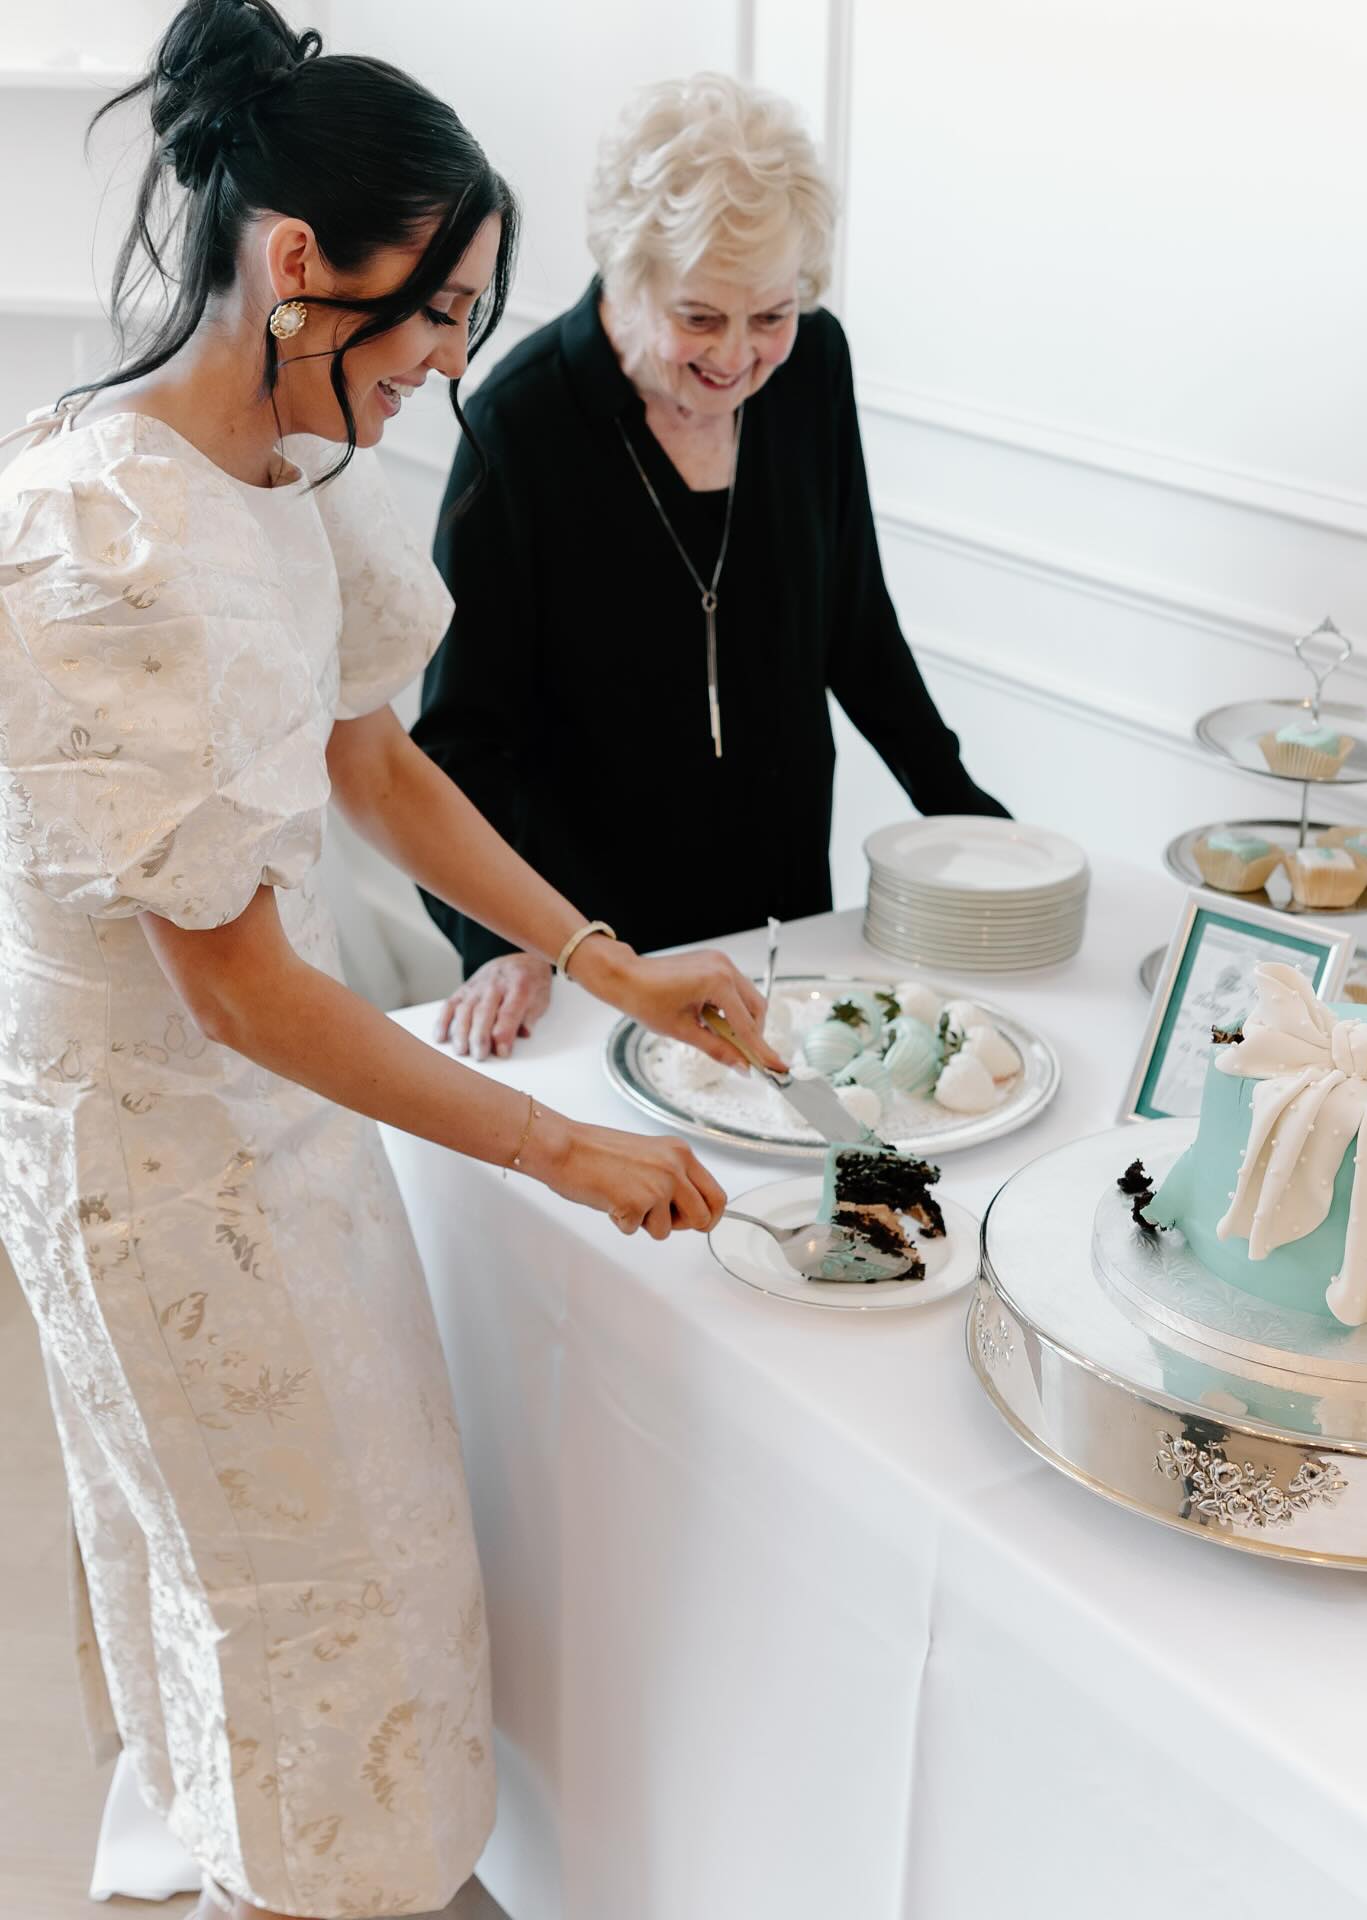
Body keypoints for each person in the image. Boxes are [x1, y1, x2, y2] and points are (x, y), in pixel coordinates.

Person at [0, 7, 780, 1919]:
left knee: (364, 1572)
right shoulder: (101, 539)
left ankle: (305, 1874)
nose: (450, 366)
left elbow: (376, 759)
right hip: (154, 1157)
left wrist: (600, 962)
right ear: (294, 269)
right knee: (281, 1585)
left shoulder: (295, 469)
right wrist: (558, 1146)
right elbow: (239, 985)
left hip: (284, 1109)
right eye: (435, 315)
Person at [412, 73, 1008, 1061]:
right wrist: (510, 939)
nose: (739, 359)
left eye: (770, 315)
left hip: (784, 921)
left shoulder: (812, 368)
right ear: (624, 275)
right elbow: (462, 742)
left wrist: (974, 826)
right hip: (597, 952)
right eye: (699, 318)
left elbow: (853, 622)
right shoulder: (521, 429)